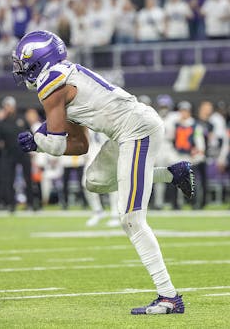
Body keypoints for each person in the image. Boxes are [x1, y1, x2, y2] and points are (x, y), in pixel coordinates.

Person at [13, 30, 194, 315]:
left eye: (24, 64)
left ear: (39, 61)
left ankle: (169, 296)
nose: (22, 71)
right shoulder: (62, 78)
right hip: (125, 132)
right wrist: (41, 141)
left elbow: (58, 144)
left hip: (136, 129)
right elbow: (80, 145)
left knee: (131, 219)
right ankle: (173, 174)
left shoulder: (51, 81)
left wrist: (38, 141)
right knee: (94, 181)